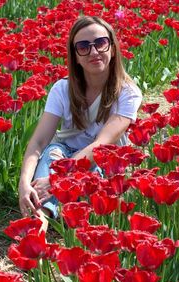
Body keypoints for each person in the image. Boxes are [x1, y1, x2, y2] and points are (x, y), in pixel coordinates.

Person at [18, 16, 142, 232]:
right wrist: (24, 183)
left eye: (101, 43)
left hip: (104, 160)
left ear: (112, 48)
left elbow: (102, 144)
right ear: (75, 56)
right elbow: (39, 140)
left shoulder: (128, 93)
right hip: (65, 155)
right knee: (53, 151)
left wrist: (56, 179)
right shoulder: (62, 89)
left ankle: (55, 212)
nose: (93, 52)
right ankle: (41, 219)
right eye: (83, 46)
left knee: (90, 168)